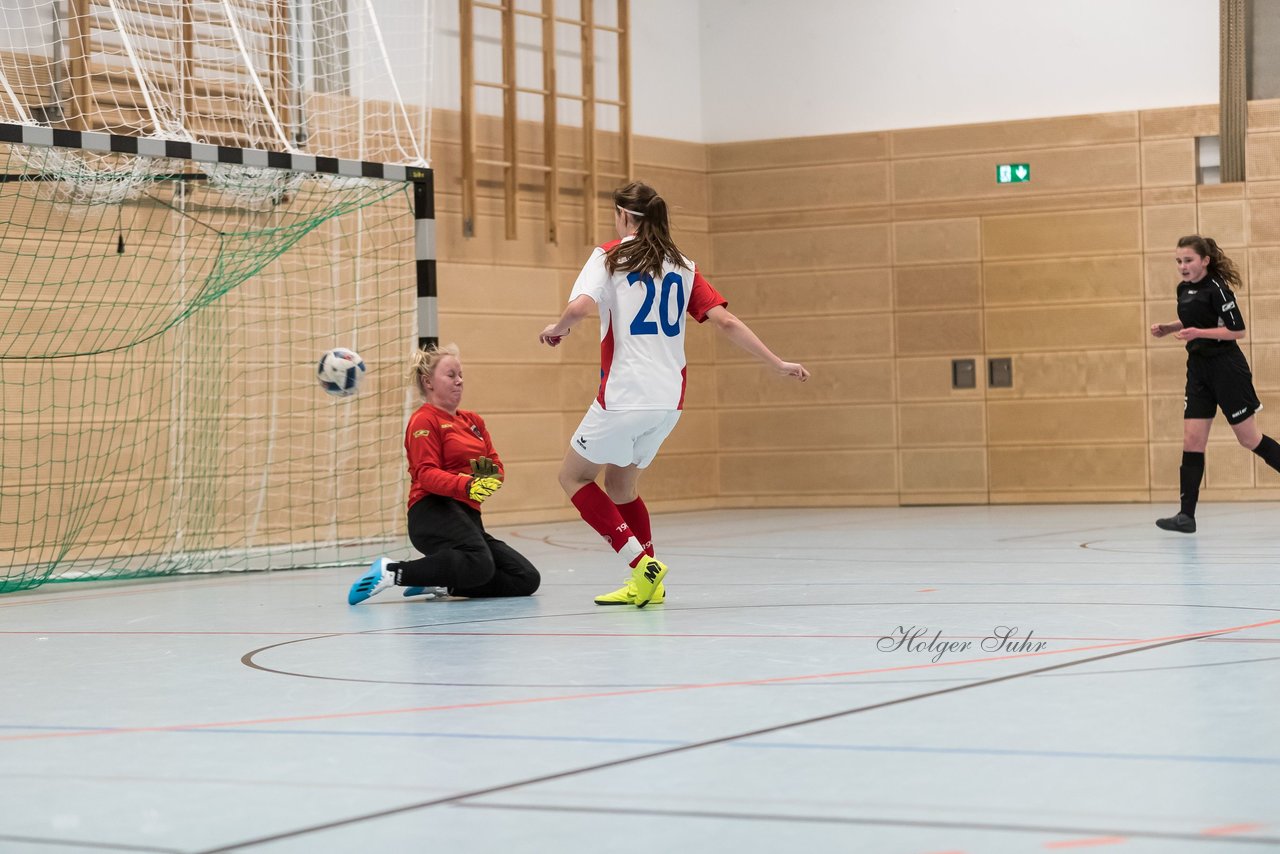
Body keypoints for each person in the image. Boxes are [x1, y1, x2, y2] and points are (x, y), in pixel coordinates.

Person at [538, 181, 809, 607]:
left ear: (625, 216)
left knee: (573, 477)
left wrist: (556, 331)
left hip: (625, 392)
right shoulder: (683, 265)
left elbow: (580, 308)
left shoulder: (608, 256)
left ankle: (640, 564)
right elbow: (726, 322)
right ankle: (650, 584)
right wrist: (777, 363)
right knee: (622, 484)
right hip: (669, 400)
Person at [347, 344, 541, 604]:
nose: (459, 381)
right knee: (479, 562)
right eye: (451, 375)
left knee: (526, 577)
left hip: (467, 517)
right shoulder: (425, 420)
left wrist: (488, 481)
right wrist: (466, 485)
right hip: (432, 512)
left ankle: (439, 583)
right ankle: (393, 572)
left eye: (461, 375)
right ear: (428, 382)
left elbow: (494, 466)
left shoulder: (472, 422)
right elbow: (426, 474)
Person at [1150, 234, 1280, 533]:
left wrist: (1198, 333)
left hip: (1226, 369)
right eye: (1179, 261)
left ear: (1205, 261)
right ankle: (1186, 516)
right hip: (1197, 369)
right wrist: (1171, 327)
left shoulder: (1218, 290)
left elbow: (1237, 331)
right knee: (1192, 441)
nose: (1182, 266)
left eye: (1188, 260)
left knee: (1249, 439)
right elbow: (1195, 318)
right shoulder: (1183, 289)